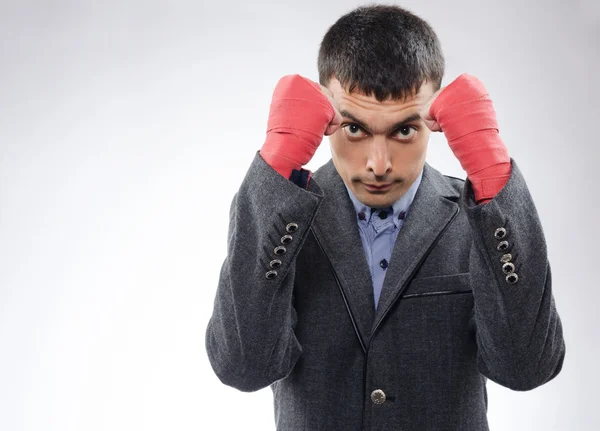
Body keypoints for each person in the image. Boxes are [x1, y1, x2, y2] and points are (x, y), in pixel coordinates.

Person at [205, 4, 566, 430]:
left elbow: (528, 368)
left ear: (435, 118)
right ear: (325, 112)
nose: (379, 164)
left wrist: (492, 171)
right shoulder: (283, 218)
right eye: (355, 128)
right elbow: (243, 367)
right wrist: (275, 168)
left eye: (404, 130)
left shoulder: (483, 219)